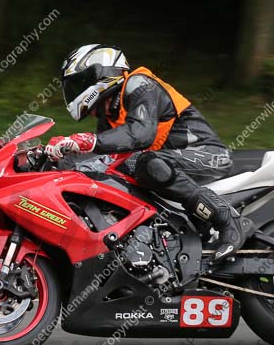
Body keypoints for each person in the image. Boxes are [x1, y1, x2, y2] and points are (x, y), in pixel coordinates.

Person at [46, 44, 254, 261]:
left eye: (78, 83)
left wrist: (89, 141)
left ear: (99, 74)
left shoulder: (139, 84)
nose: (74, 92)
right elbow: (107, 160)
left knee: (148, 164)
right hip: (168, 167)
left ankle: (231, 221)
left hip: (209, 156)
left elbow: (140, 134)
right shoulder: (108, 118)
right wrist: (64, 158)